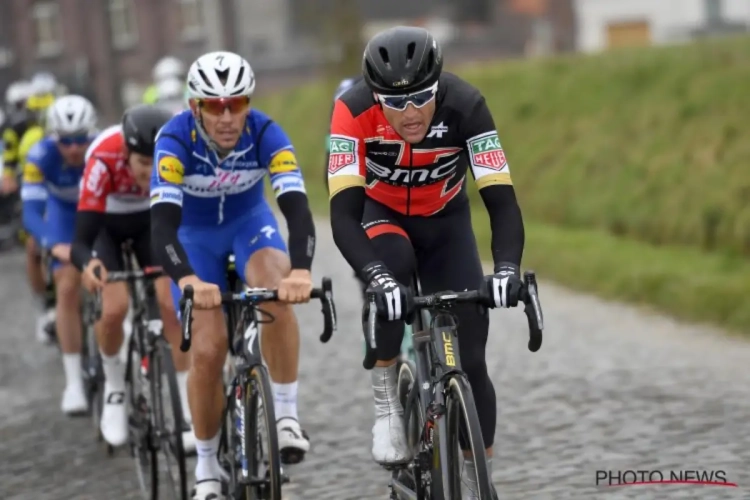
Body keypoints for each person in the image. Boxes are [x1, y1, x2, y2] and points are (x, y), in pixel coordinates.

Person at [327, 27, 526, 497]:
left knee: (472, 361)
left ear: (438, 85)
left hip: (446, 220)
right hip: (381, 215)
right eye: (394, 103)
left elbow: (501, 201)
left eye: (420, 98)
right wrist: (374, 276)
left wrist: (506, 270)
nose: (409, 113)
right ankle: (387, 405)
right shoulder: (352, 110)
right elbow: (342, 216)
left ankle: (479, 475)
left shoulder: (468, 105)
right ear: (375, 96)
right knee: (391, 267)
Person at [150, 51, 317, 499]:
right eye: (214, 105)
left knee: (274, 289)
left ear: (248, 103)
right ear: (194, 108)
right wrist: (187, 279)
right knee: (207, 349)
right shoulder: (173, 140)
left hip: (249, 226)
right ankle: (206, 467)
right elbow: (162, 226)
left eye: (236, 103)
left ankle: (284, 416)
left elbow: (298, 211)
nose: (226, 116)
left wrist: (300, 270)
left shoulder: (266, 133)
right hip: (194, 237)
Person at [71, 105, 195, 450]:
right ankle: (114, 387)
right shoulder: (103, 159)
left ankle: (186, 407)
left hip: (151, 222)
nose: (153, 172)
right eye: (145, 164)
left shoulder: (177, 152)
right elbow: (81, 241)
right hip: (105, 225)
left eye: (159, 164)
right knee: (114, 308)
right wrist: (89, 265)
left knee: (171, 304)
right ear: (127, 154)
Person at [21, 95, 98, 414]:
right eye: (66, 141)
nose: (74, 148)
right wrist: (52, 244)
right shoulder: (39, 156)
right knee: (67, 284)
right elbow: (31, 214)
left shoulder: (100, 150)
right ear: (54, 137)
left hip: (97, 209)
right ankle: (74, 383)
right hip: (63, 216)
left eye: (81, 139)